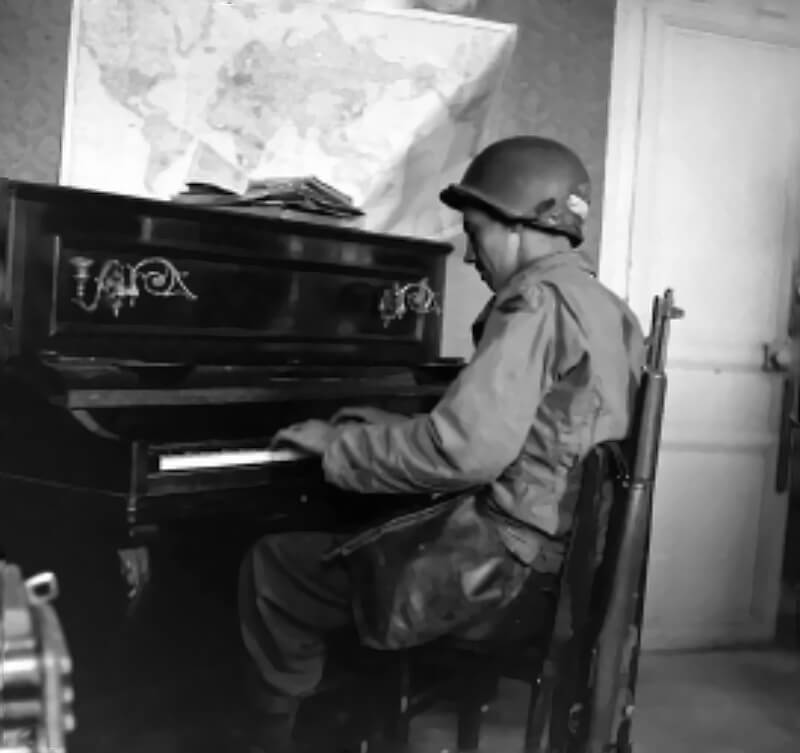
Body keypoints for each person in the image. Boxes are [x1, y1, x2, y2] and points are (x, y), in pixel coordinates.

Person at [238, 136, 646, 753]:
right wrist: (390, 426)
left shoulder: (534, 301)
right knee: (369, 537)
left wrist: (337, 448)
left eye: (475, 230)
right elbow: (536, 427)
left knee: (276, 568)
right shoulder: (609, 310)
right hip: (567, 569)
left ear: (519, 226)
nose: (468, 253)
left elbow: (466, 453)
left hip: (505, 574)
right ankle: (357, 724)